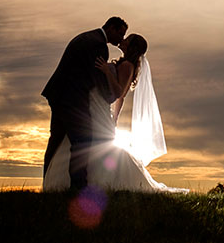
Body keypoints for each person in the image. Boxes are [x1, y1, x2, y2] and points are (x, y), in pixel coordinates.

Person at [43, 33, 189, 194]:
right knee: (90, 144)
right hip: (99, 107)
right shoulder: (125, 64)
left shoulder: (127, 66)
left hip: (99, 108)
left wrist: (106, 70)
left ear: (131, 47)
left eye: (127, 40)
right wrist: (115, 117)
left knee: (95, 146)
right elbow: (120, 99)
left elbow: (119, 93)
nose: (123, 40)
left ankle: (100, 181)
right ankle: (81, 182)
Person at [41, 17, 128, 190]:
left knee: (56, 141)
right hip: (73, 99)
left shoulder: (86, 37)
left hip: (58, 95)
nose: (121, 39)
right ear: (110, 28)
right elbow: (96, 77)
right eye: (120, 33)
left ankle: (47, 184)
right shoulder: (98, 46)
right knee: (83, 141)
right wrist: (109, 97)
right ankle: (78, 187)